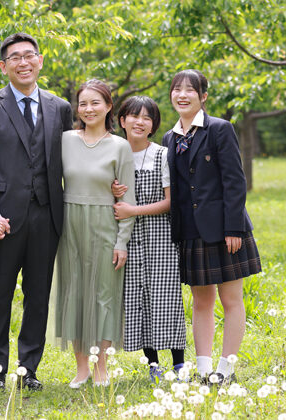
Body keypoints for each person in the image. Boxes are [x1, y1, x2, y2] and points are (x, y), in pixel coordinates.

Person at [0, 33, 73, 391]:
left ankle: (28, 369)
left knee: (38, 296)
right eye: (15, 57)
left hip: (48, 215)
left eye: (30, 56)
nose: (23, 62)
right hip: (4, 219)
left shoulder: (60, 107)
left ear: (40, 61)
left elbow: (71, 160)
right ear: (4, 67)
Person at [162, 69, 261, 385]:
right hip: (191, 232)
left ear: (203, 96)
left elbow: (234, 181)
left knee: (231, 300)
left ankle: (226, 369)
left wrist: (234, 228)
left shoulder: (220, 129)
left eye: (190, 90)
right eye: (177, 89)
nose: (182, 95)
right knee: (201, 301)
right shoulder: (169, 138)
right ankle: (204, 369)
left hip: (224, 230)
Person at [54, 79, 136, 388]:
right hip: (70, 223)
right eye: (83, 103)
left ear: (109, 106)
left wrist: (121, 241)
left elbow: (127, 199)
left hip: (105, 223)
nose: (88, 109)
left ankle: (101, 367)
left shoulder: (120, 146)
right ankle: (81, 369)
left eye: (95, 103)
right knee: (74, 293)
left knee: (104, 295)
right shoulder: (64, 140)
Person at [111, 96, 186, 382]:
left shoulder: (162, 155)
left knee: (166, 297)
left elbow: (171, 202)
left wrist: (133, 210)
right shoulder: (114, 154)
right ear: (122, 121)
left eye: (147, 118)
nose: (140, 122)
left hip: (160, 237)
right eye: (134, 116)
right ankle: (153, 365)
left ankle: (179, 364)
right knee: (137, 298)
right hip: (128, 238)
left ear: (153, 125)